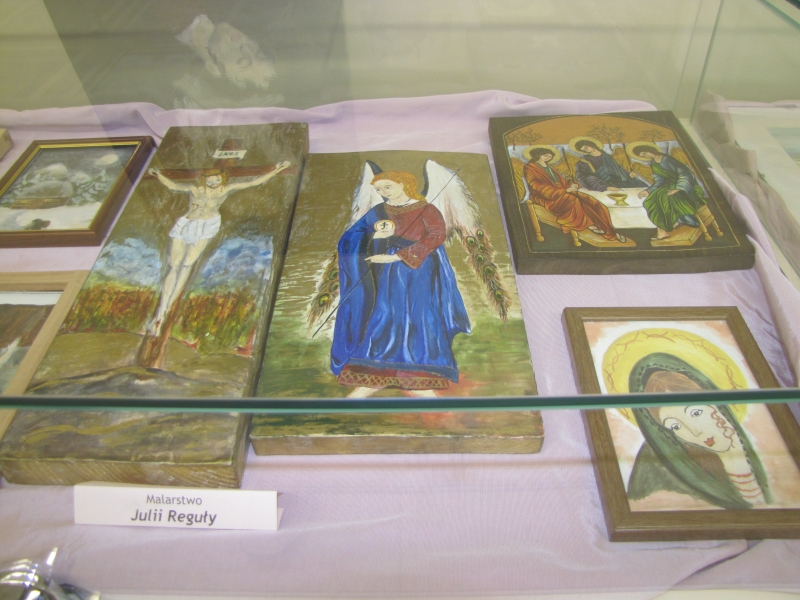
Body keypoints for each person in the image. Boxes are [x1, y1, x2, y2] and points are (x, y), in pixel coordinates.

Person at [330, 170, 470, 398]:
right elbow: (352, 237)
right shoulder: (379, 211)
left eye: (388, 187)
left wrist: (397, 256)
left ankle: (417, 377)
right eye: (378, 189)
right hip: (386, 274)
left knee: (418, 316)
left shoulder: (426, 209)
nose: (383, 192)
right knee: (385, 315)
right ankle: (376, 373)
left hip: (418, 270)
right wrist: (374, 236)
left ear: (403, 184)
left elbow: (436, 235)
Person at [147, 162, 290, 335]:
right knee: (174, 264)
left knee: (187, 264)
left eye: (216, 180)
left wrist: (276, 170)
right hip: (187, 223)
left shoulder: (225, 190)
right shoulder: (195, 189)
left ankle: (167, 310)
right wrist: (158, 174)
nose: (213, 183)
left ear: (221, 179)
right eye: (210, 180)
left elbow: (252, 182)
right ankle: (161, 311)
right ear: (204, 179)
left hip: (207, 225)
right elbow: (173, 185)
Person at [626, 352, 772, 509]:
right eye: (675, 426)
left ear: (712, 402)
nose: (695, 432)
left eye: (696, 413)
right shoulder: (661, 462)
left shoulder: (761, 442)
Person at [523, 147, 626, 243]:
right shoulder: (530, 168)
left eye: (550, 156)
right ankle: (588, 224)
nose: (548, 158)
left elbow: (562, 182)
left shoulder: (550, 167)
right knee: (573, 200)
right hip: (546, 195)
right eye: (545, 155)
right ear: (538, 155)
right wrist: (563, 191)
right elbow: (537, 185)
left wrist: (572, 184)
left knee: (591, 201)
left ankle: (609, 230)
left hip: (562, 191)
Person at [632, 145, 706, 240]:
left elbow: (685, 173)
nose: (645, 156)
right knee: (650, 201)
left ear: (650, 150)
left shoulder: (667, 159)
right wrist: (648, 191)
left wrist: (678, 188)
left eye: (645, 153)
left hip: (685, 186)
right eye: (642, 155)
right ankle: (666, 226)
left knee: (665, 198)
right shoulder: (654, 164)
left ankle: (667, 227)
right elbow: (659, 181)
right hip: (668, 186)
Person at [573, 139, 647, 191]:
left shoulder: (606, 156)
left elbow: (618, 170)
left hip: (619, 181)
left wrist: (629, 175)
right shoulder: (584, 160)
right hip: (604, 184)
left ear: (590, 144)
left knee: (640, 185)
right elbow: (583, 176)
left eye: (586, 147)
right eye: (584, 150)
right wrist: (604, 187)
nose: (587, 150)